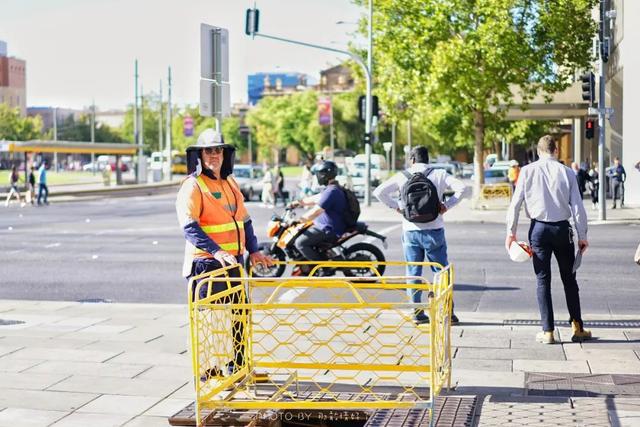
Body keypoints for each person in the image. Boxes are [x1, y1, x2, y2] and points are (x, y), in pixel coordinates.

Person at [175, 128, 272, 377]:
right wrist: (217, 251)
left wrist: (255, 250)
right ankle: (208, 370)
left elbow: (245, 220)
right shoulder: (193, 186)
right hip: (206, 264)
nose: (214, 155)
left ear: (225, 154)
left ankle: (238, 368)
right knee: (209, 321)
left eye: (218, 150)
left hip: (233, 263)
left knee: (240, 316)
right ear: (199, 154)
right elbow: (189, 227)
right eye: (209, 150)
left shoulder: (230, 182)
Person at [506, 135, 592, 345]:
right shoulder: (567, 172)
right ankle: (577, 327)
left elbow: (515, 204)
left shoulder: (526, 171)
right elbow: (577, 207)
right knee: (569, 279)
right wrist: (582, 236)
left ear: (538, 151)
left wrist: (511, 233)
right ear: (556, 151)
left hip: (538, 229)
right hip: (562, 229)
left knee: (542, 280)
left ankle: (548, 331)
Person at [374, 146, 466, 325]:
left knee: (413, 272)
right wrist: (448, 205)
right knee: (441, 271)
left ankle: (417, 313)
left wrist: (398, 207)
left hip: (410, 231)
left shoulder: (402, 176)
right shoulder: (439, 174)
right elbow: (462, 188)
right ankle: (447, 314)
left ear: (412, 160)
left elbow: (379, 192)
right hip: (434, 229)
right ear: (428, 159)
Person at [293, 160, 347, 276]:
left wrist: (300, 219)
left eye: (318, 174)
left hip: (329, 228)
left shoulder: (331, 191)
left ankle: (324, 267)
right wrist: (298, 202)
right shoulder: (332, 188)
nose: (317, 177)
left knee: (300, 243)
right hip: (326, 225)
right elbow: (317, 198)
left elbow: (317, 210)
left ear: (324, 175)